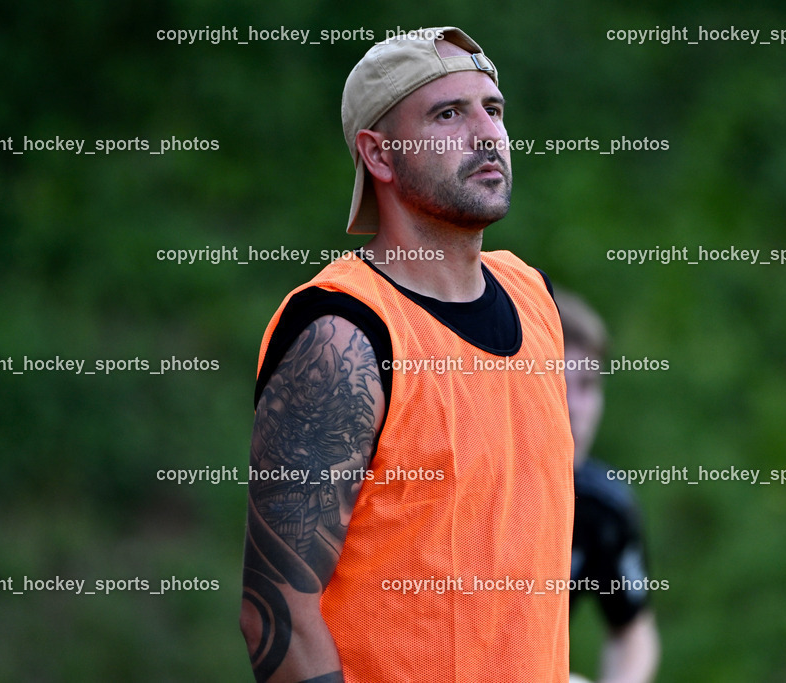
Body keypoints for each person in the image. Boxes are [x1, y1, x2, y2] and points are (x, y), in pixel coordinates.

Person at [239, 26, 576, 683]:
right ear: (380, 154)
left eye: (493, 109)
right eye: (448, 114)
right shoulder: (343, 332)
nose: (486, 133)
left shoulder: (535, 298)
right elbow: (275, 616)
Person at [555, 288, 660, 683]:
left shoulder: (603, 509)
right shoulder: (461, 488)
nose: (575, 407)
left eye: (587, 385)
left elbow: (633, 631)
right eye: (559, 383)